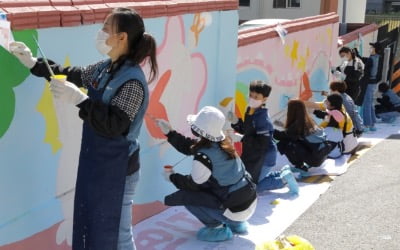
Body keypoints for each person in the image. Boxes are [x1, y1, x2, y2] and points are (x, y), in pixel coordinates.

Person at [10, 8, 158, 250]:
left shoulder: (132, 82)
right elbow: (71, 74)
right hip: (96, 162)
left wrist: (80, 100)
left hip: (119, 168)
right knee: (92, 225)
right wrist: (33, 62)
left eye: (105, 29)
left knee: (116, 234)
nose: (99, 33)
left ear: (121, 38)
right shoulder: (105, 68)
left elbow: (114, 126)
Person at [156, 106, 257, 242]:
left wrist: (172, 177)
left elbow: (192, 185)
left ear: (199, 130)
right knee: (215, 191)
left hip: (235, 208)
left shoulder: (204, 156)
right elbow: (190, 147)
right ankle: (237, 225)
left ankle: (218, 230)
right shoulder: (224, 144)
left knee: (188, 197)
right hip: (247, 201)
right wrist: (170, 133)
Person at [227, 80, 298, 195]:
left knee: (253, 186)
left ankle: (283, 179)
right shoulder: (250, 110)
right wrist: (236, 122)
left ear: (264, 99)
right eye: (251, 95)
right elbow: (248, 130)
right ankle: (281, 174)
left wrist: (241, 139)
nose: (252, 98)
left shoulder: (262, 118)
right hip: (254, 153)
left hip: (264, 156)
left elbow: (262, 143)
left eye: (256, 97)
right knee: (251, 179)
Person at [273, 100, 333, 173]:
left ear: (292, 111)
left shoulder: (297, 125)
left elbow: (280, 136)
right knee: (294, 140)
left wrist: (269, 128)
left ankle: (300, 166)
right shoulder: (309, 121)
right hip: (322, 155)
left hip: (316, 159)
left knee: (286, 143)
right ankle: (305, 161)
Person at [356, 42, 382, 132]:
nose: (370, 48)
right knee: (370, 102)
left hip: (369, 83)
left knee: (367, 103)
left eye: (372, 47)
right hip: (373, 83)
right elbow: (365, 60)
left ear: (375, 49)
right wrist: (357, 54)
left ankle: (367, 124)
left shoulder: (372, 59)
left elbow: (368, 71)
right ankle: (372, 123)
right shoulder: (377, 58)